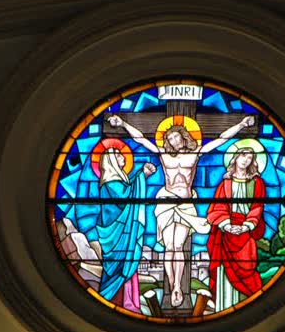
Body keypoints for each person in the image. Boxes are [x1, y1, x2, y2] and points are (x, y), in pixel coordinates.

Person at [107, 114, 255, 307]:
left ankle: (177, 285)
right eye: (169, 138)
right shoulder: (163, 154)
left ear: (184, 136)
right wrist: (123, 124)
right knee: (169, 247)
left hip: (186, 203)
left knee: (178, 246)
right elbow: (140, 139)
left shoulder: (195, 154)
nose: (173, 141)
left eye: (175, 136)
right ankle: (174, 285)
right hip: (166, 201)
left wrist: (241, 125)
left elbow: (221, 139)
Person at [206, 143, 266, 312]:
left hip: (246, 231)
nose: (245, 160)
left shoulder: (257, 183)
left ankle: (252, 307)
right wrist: (226, 225)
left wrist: (247, 226)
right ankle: (224, 306)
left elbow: (258, 207)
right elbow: (217, 208)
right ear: (235, 158)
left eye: (250, 157)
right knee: (224, 269)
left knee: (248, 267)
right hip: (227, 233)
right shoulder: (225, 183)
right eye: (243, 156)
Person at [96, 146, 156, 312]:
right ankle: (116, 302)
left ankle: (130, 303)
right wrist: (142, 174)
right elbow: (125, 196)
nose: (122, 156)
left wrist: (141, 175)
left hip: (123, 234)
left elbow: (127, 191)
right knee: (121, 267)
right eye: (117, 155)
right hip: (117, 236)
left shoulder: (118, 182)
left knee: (128, 264)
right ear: (111, 162)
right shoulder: (110, 184)